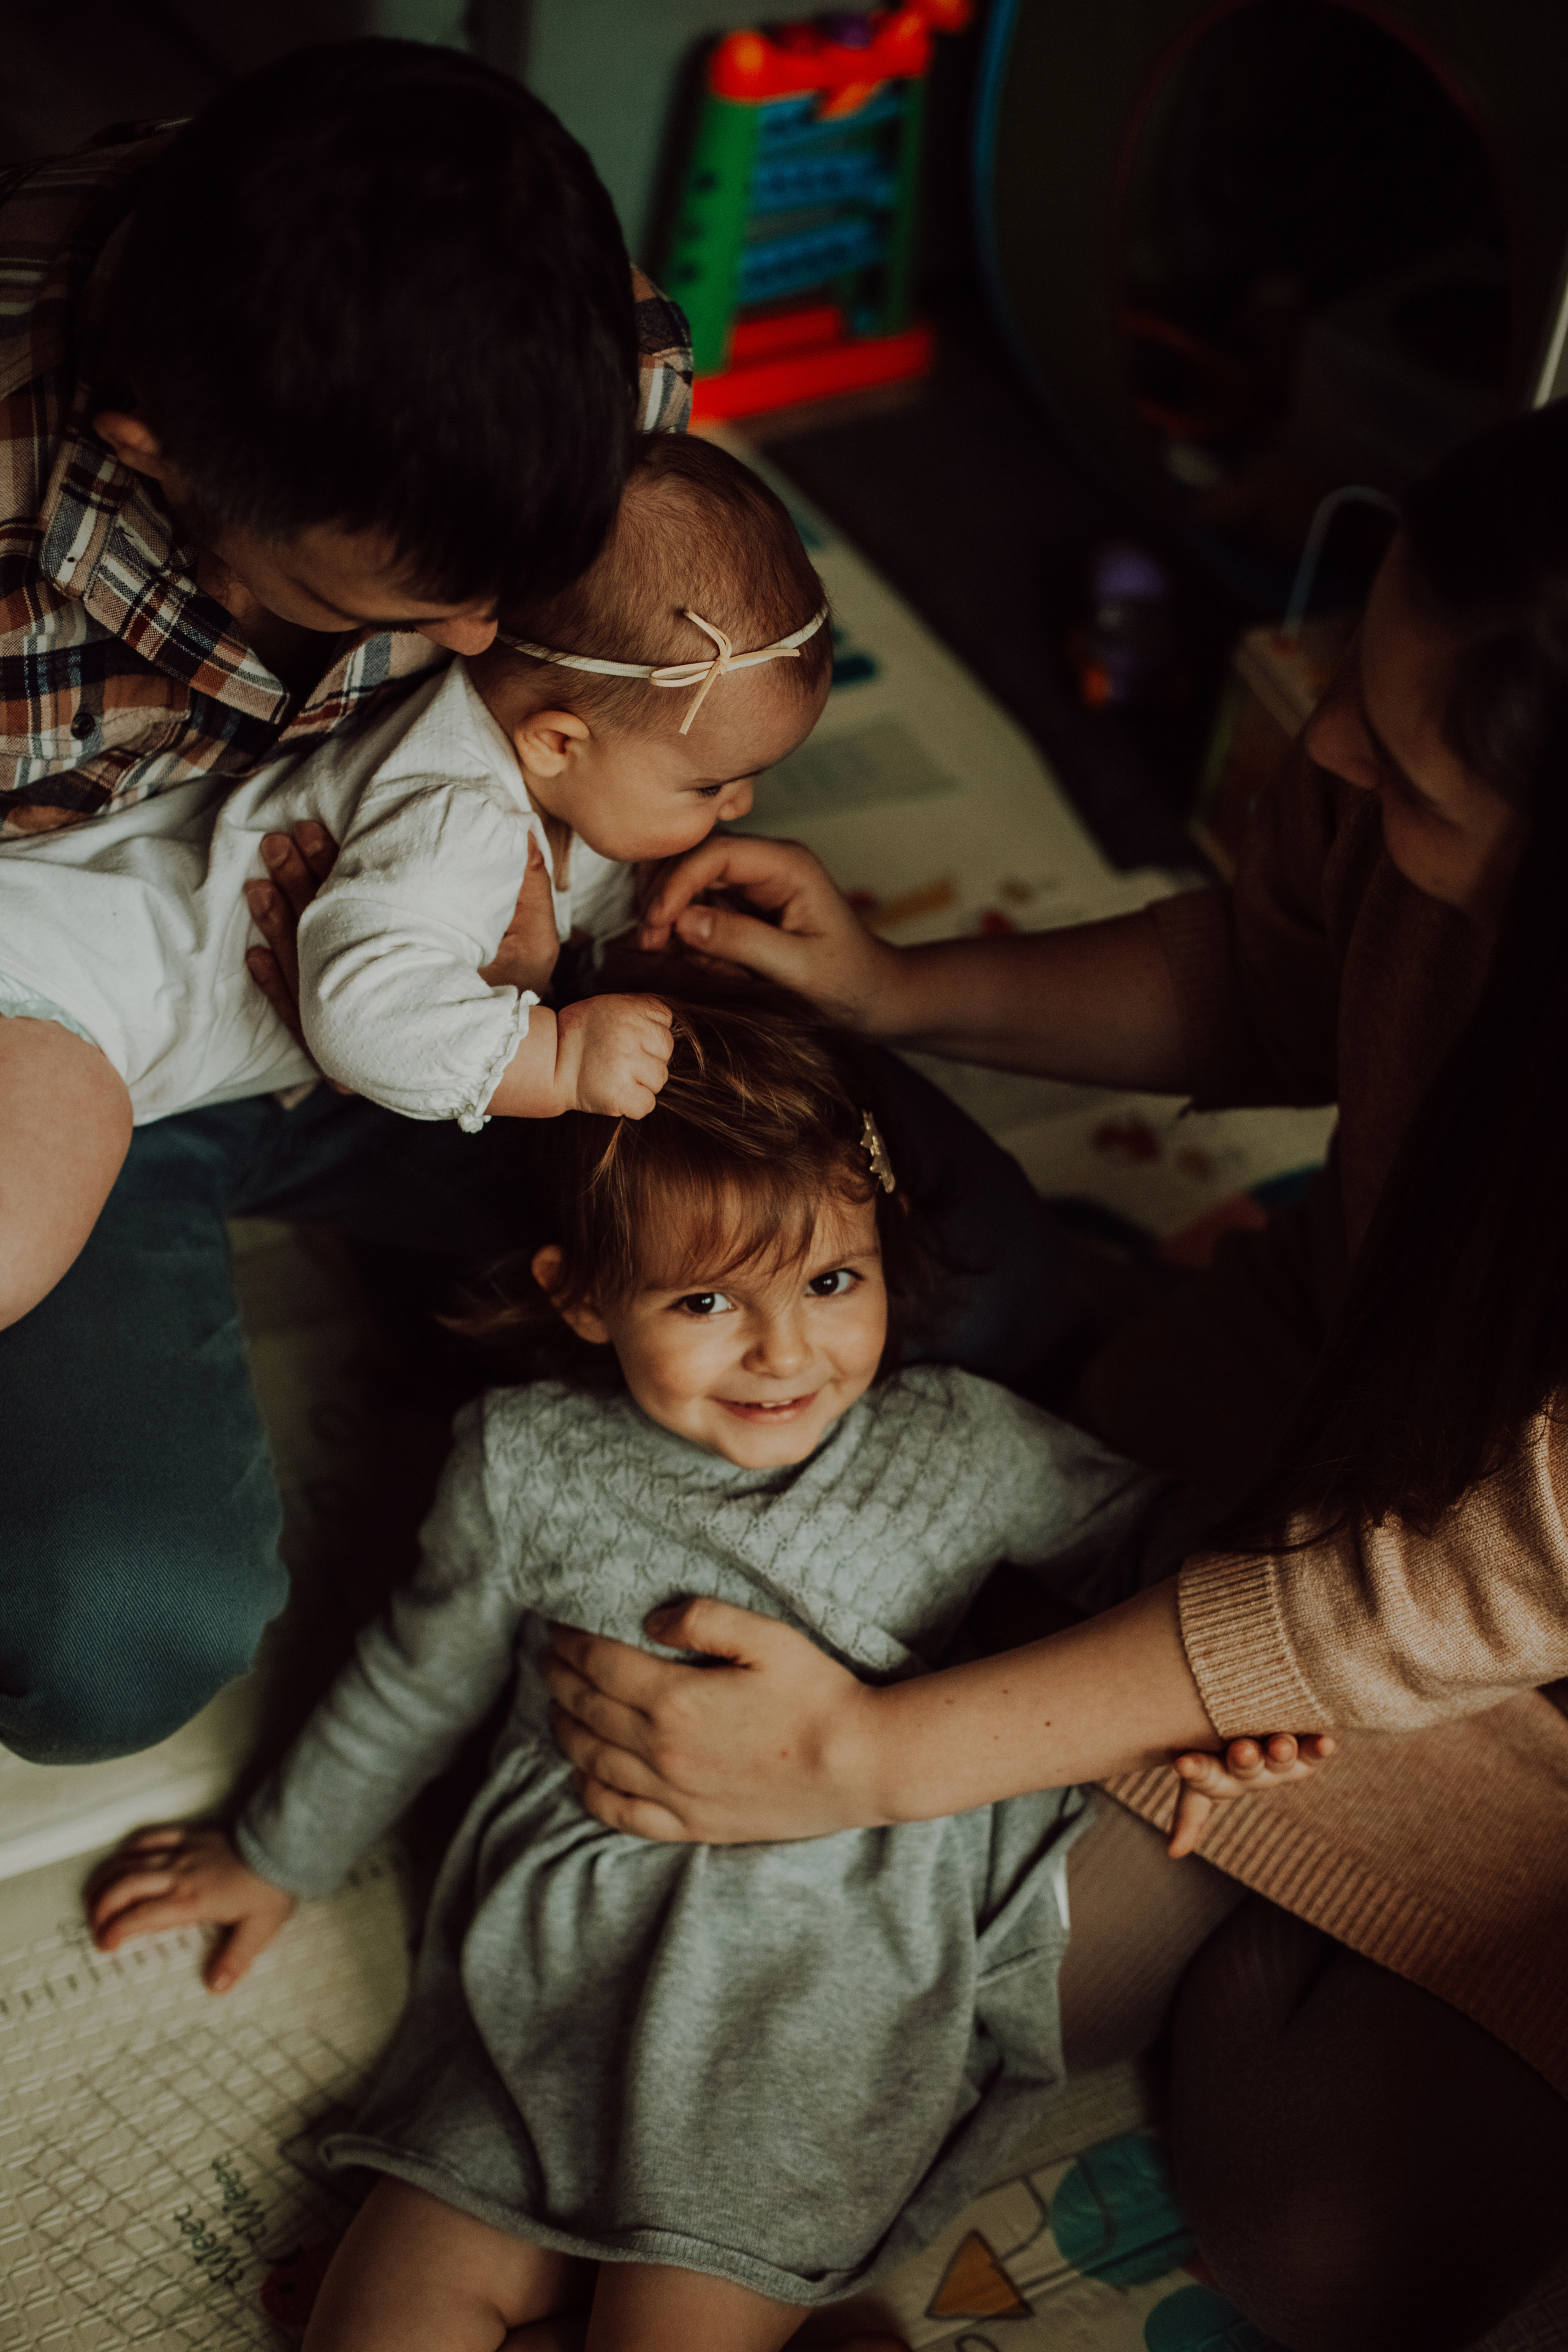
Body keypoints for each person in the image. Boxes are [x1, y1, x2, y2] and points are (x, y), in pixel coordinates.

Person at [527, 402, 1568, 2350]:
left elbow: (1424, 1597)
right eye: (1357, 668)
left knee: (1321, 2226)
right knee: (935, 1895)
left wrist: (870, 1757)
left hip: (1485, 1639)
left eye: (1412, 768)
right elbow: (1273, 978)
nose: (1333, 742)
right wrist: (894, 985)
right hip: (1306, 1456)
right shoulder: (1378, 790)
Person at [0, 45, 1069, 1771]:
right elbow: (357, 993)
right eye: (418, 602)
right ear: (158, 456)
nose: (483, 645)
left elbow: (641, 692)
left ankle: (477, 1280)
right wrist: (493, 1023)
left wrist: (583, 920)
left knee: (975, 1284)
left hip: (472, 1000)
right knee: (115, 1631)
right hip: (137, 1020)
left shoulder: (585, 368)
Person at [85, 982, 1319, 2352]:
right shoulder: (526, 1462)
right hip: (553, 1981)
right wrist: (276, 1851)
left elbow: (1161, 1544)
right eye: (706, 1299)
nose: (784, 1351)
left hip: (815, 1985)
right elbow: (415, 1677)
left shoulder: (965, 1445)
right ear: (581, 1297)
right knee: (375, 2320)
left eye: (831, 1282)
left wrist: (1219, 1708)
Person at [0, 434, 834, 1329]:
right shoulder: (459, 816)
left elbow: (584, 896)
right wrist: (559, 1057)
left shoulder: (553, 775)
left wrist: (655, 937)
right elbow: (361, 1016)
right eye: (710, 786)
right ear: (556, 742)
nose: (741, 805)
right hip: (62, 990)